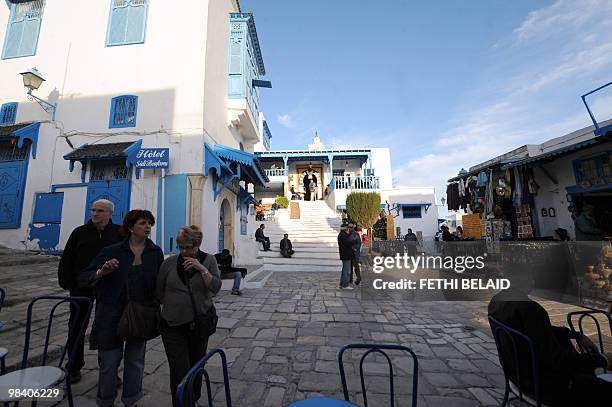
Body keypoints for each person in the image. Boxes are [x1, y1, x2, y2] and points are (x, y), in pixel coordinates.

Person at [79, 210, 164, 407]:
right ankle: (106, 400)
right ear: (130, 227)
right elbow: (85, 276)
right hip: (111, 312)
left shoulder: (155, 252)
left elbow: (159, 282)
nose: (147, 227)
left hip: (141, 313)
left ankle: (131, 399)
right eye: (143, 223)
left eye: (149, 223)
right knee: (109, 362)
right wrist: (102, 271)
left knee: (135, 361)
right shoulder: (112, 251)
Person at [488, 272, 612, 406]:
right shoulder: (532, 310)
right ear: (528, 281)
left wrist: (575, 335)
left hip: (517, 376)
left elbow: (538, 331)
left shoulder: (496, 302)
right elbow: (559, 360)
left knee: (567, 347)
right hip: (544, 387)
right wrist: (603, 360)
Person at [57, 199, 123, 384]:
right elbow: (67, 259)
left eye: (100, 210)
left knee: (108, 328)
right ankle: (74, 366)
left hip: (109, 287)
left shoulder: (118, 233)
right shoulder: (79, 233)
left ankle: (109, 369)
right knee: (76, 327)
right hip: (82, 286)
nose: (95, 213)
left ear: (110, 213)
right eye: (93, 210)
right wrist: (68, 283)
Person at [157, 225, 222, 406]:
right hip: (172, 324)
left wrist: (202, 269)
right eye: (181, 247)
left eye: (189, 247)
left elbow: (215, 287)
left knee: (197, 365)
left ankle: (192, 398)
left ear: (198, 245)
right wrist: (175, 305)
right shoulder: (169, 263)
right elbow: (159, 290)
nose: (185, 251)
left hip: (199, 324)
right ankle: (181, 402)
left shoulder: (208, 261)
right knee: (179, 369)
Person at [337, 222, 357, 289]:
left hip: (345, 254)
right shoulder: (343, 235)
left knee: (344, 270)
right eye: (348, 228)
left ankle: (342, 284)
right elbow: (348, 243)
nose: (348, 229)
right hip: (346, 255)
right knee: (347, 271)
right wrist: (354, 241)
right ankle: (345, 285)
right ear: (345, 228)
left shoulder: (342, 235)